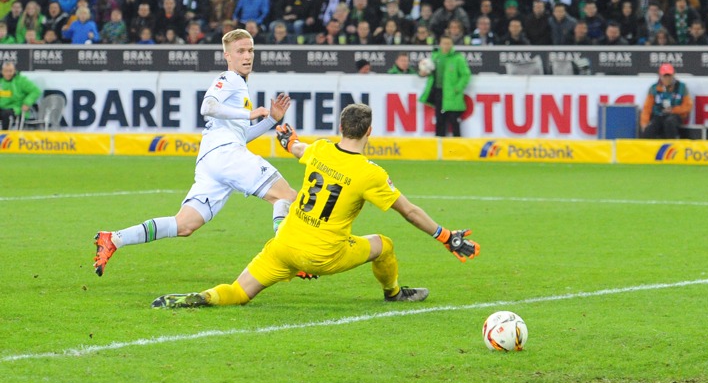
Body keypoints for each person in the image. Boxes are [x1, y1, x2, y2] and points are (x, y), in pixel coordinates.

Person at [150, 103, 480, 308]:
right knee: (384, 245)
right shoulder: (370, 173)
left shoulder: (320, 149)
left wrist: (288, 138)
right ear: (369, 132)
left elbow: (297, 148)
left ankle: (204, 297)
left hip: (286, 244)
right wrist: (445, 235)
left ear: (340, 128)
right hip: (324, 255)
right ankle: (394, 294)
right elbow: (408, 211)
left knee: (239, 291)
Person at [93, 29, 300, 277]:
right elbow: (207, 106)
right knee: (286, 196)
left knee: (184, 224)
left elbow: (239, 136)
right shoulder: (230, 78)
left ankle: (114, 239)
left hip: (212, 160)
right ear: (228, 55)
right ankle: (289, 258)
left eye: (251, 50)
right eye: (241, 51)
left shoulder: (239, 86)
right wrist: (250, 113)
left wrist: (271, 121)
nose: (247, 56)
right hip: (225, 156)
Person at [419, 33, 471, 137]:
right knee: (439, 120)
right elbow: (429, 71)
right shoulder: (435, 56)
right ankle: (439, 146)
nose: (446, 46)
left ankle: (457, 146)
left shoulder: (457, 58)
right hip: (438, 92)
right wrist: (422, 73)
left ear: (452, 44)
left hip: (452, 94)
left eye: (448, 44)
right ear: (440, 44)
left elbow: (466, 74)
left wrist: (458, 88)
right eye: (444, 43)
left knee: (453, 120)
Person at [640, 64, 694, 139]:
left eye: (669, 76)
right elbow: (647, 108)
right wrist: (644, 123)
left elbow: (688, 106)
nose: (667, 78)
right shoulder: (654, 88)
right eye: (665, 76)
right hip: (659, 115)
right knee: (650, 129)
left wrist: (673, 110)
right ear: (660, 76)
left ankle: (671, 148)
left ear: (673, 75)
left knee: (669, 123)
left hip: (675, 116)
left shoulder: (681, 87)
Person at [0, 62, 42, 130]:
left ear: (15, 71)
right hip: (1, 107)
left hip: (16, 108)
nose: (8, 73)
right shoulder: (1, 81)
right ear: (2, 71)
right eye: (6, 71)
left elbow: (36, 91)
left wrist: (27, 102)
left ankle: (4, 137)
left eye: (10, 71)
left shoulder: (21, 80)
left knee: (6, 114)